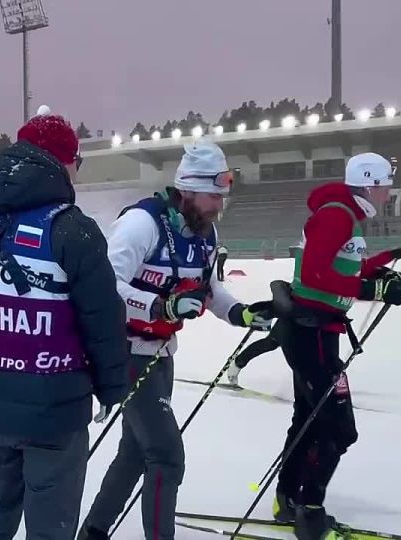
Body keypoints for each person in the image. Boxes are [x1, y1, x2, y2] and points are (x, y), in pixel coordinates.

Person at [0, 105, 129, 540]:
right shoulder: (71, 228)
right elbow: (103, 321)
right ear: (63, 162)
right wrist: (112, 387)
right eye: (77, 162)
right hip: (54, 405)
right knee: (51, 524)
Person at [79, 142, 275, 540]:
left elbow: (209, 289)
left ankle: (93, 532)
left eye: (222, 196)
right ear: (187, 189)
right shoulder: (142, 224)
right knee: (167, 457)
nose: (218, 205)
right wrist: (161, 306)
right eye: (212, 196)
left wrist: (240, 313)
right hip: (126, 352)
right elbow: (105, 287)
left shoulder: (206, 231)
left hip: (161, 354)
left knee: (136, 452)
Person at [273, 152, 401, 540]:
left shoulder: (344, 215)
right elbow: (314, 274)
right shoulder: (337, 215)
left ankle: (287, 498)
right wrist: (373, 289)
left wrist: (384, 268)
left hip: (316, 332)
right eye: (386, 184)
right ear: (370, 184)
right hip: (310, 332)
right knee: (338, 428)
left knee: (309, 419)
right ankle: (309, 512)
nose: (389, 192)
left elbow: (343, 266)